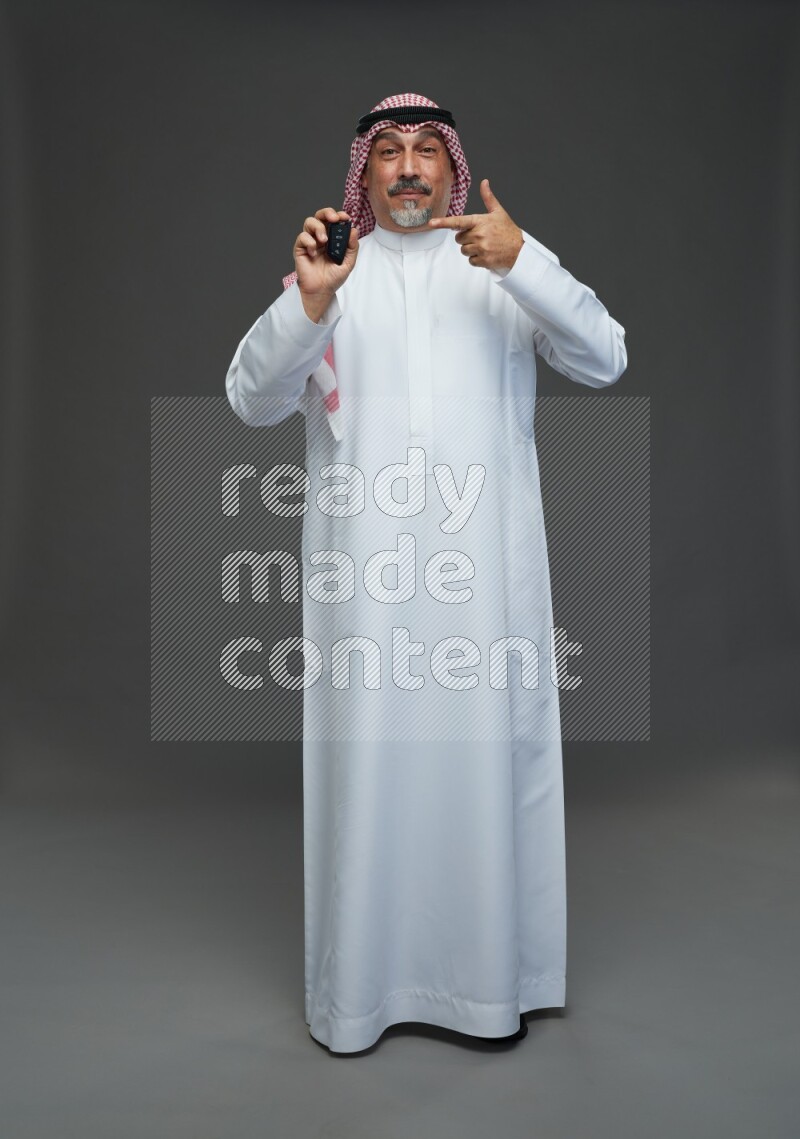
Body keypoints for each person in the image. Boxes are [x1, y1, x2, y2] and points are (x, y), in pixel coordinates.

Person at [225, 93, 627, 1054]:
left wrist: (526, 260)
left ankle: (491, 989)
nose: (408, 168)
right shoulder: (333, 278)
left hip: (484, 591)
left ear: (453, 167)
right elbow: (251, 398)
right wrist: (309, 300)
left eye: (425, 152)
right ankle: (359, 995)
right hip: (363, 595)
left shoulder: (497, 268)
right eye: (389, 154)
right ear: (362, 176)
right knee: (370, 775)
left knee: (485, 769)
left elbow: (605, 357)